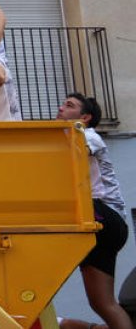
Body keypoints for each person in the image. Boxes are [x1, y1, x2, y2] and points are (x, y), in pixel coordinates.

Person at [56, 94, 133, 329]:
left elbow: (71, 154)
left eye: (69, 105)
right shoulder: (63, 138)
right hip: (100, 225)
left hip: (106, 215)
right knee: (102, 303)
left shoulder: (88, 135)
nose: (61, 107)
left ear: (85, 117)